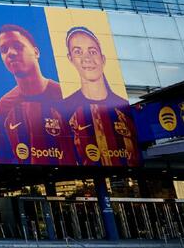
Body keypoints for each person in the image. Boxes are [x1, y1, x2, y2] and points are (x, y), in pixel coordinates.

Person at [0, 24, 74, 165]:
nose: (10, 53)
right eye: (4, 50)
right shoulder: (4, 105)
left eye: (17, 46)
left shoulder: (64, 94)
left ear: (36, 52)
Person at [59, 26, 139, 166]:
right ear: (70, 59)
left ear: (103, 58)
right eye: (78, 52)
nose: (87, 58)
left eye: (92, 51)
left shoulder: (124, 108)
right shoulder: (65, 109)